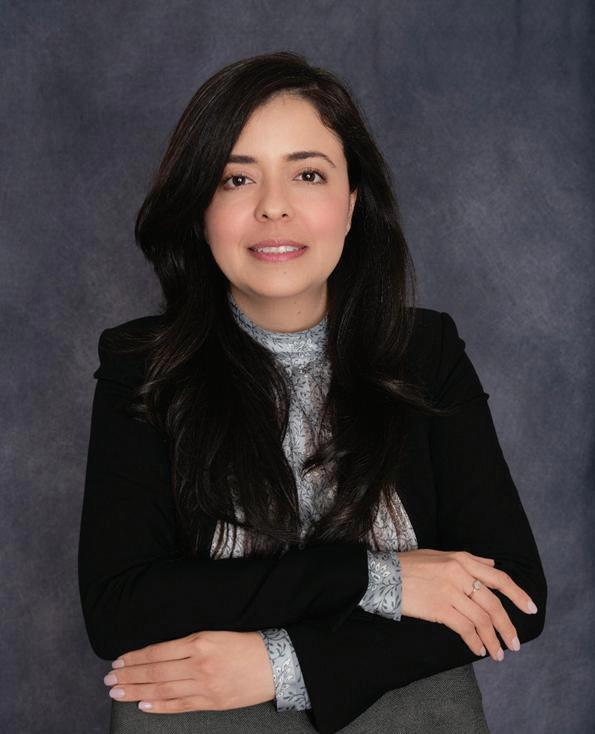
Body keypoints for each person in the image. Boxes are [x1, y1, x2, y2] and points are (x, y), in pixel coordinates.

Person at [78, 51, 547, 734]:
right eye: (236, 178)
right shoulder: (142, 363)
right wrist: (378, 578)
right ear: (200, 210)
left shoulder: (426, 351)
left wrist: (284, 664)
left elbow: (513, 594)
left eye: (307, 174)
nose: (273, 206)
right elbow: (121, 607)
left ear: (352, 204)